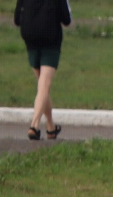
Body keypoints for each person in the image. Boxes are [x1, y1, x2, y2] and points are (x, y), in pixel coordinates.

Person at [14, 0, 72, 141]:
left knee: (42, 87)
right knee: (44, 84)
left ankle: (51, 127)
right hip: (50, 40)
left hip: (31, 39)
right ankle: (34, 125)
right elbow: (66, 20)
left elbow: (17, 19)